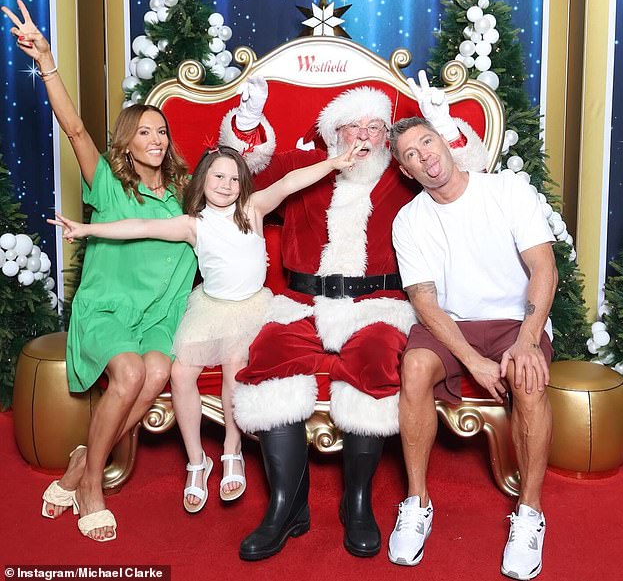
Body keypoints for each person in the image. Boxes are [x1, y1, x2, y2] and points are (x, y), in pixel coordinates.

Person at [217, 74, 489, 561]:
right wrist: (248, 120)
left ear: (387, 137)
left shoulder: (403, 177)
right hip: (301, 304)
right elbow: (243, 171)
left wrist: (443, 124)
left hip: (378, 306)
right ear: (332, 133)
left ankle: (357, 502)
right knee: (270, 360)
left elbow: (463, 168)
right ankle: (285, 506)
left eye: (374, 127)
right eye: (352, 127)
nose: (363, 137)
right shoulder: (305, 166)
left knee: (379, 363)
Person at [48, 142, 363, 514]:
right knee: (180, 373)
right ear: (203, 180)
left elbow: (290, 182)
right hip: (210, 307)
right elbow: (142, 226)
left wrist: (333, 162)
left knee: (233, 364)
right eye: (218, 176)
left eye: (234, 178)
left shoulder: (252, 209)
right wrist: (86, 228)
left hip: (250, 308)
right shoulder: (193, 224)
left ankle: (232, 451)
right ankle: (197, 461)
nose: (227, 184)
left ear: (243, 184)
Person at [1, 0, 198, 542]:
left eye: (161, 132)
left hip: (158, 315)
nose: (156, 140)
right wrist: (46, 61)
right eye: (144, 133)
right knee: (131, 374)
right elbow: (75, 131)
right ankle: (91, 485)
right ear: (126, 142)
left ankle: (85, 458)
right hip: (107, 308)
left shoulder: (183, 197)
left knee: (156, 371)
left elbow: (240, 198)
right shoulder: (108, 185)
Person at [388, 116, 557, 580]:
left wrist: (526, 342)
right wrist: (473, 361)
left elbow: (544, 268)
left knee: (527, 377)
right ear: (406, 171)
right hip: (451, 324)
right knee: (416, 368)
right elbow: (424, 300)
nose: (425, 156)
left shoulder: (506, 190)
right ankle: (416, 501)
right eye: (411, 154)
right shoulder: (409, 219)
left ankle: (529, 513)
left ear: (444, 141)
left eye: (427, 142)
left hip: (513, 319)